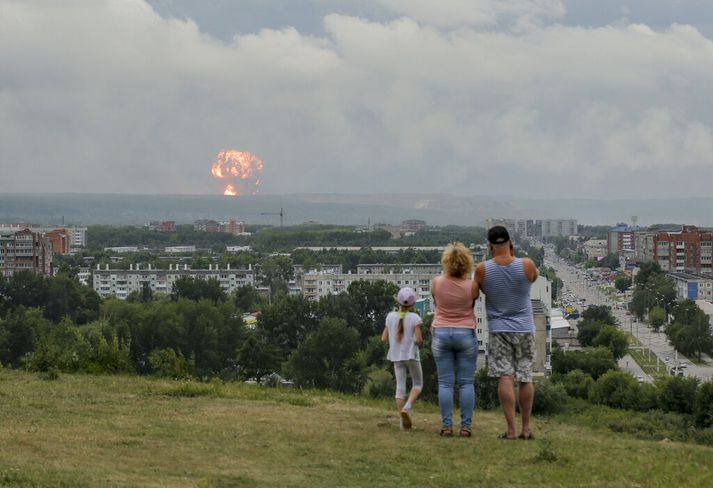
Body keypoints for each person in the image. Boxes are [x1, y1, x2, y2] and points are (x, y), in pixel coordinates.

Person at [476, 226, 538, 440]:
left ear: (490, 245)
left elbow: (478, 290)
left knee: (505, 376)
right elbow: (534, 277)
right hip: (524, 328)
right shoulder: (527, 265)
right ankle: (526, 428)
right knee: (525, 377)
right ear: (510, 242)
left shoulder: (483, 269)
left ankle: (511, 429)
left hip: (498, 329)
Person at [430, 242, 479, 437]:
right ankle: (465, 426)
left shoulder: (436, 283)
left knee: (445, 383)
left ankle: (447, 425)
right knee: (466, 383)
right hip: (465, 333)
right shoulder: (472, 286)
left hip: (441, 333)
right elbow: (472, 303)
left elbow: (436, 301)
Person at [381, 287, 423, 429]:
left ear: (397, 302)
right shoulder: (415, 318)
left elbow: (383, 338)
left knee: (400, 389)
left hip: (396, 356)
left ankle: (402, 423)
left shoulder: (390, 317)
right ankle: (407, 407)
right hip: (411, 355)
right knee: (417, 384)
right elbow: (418, 340)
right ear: (412, 304)